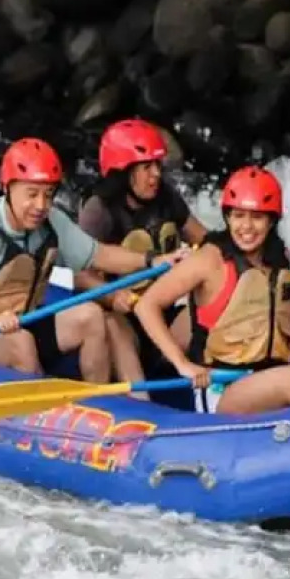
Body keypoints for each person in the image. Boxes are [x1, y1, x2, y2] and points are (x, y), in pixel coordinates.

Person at [0, 137, 188, 381]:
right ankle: (36, 406)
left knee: (91, 316)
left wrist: (153, 261)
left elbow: (100, 255)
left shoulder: (51, 222)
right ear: (7, 187)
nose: (40, 205)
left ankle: (96, 401)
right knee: (19, 341)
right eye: (32, 194)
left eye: (48, 194)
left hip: (22, 321)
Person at [133, 165, 290, 416]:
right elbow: (146, 305)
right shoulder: (209, 259)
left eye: (257, 217)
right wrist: (182, 364)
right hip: (222, 390)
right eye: (238, 216)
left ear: (271, 220)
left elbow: (285, 325)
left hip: (271, 381)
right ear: (227, 217)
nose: (246, 226)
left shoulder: (279, 258)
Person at [74, 118, 208, 390]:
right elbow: (80, 276)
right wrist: (113, 297)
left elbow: (205, 242)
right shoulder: (99, 210)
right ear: (123, 172)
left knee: (208, 312)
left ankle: (220, 392)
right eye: (146, 167)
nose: (156, 174)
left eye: (157, 165)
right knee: (111, 324)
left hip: (162, 315)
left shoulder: (166, 198)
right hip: (123, 319)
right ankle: (138, 400)